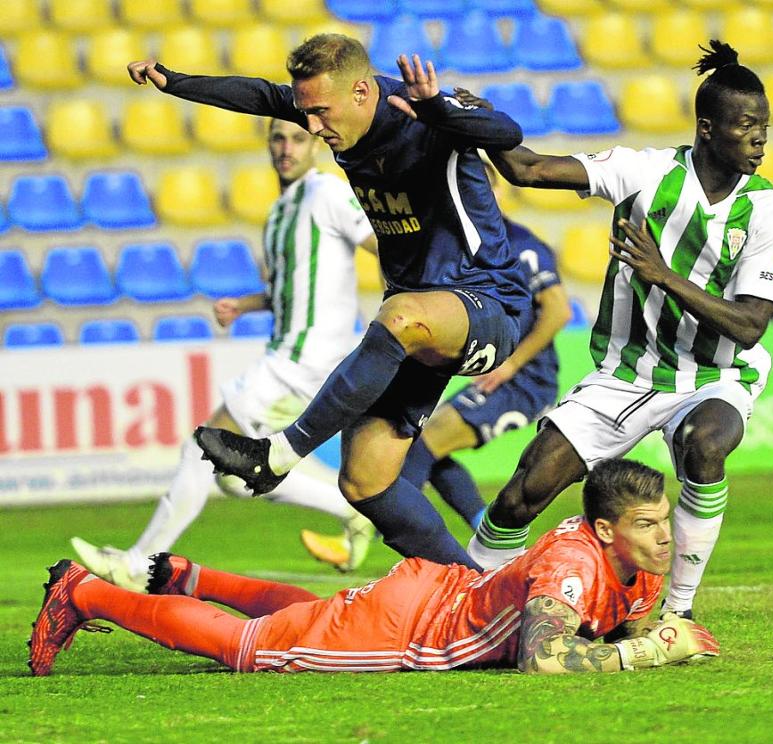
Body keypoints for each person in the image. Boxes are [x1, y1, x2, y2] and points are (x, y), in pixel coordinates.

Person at [128, 34, 532, 566]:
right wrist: (174, 81)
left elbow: (508, 132)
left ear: (362, 92)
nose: (313, 128)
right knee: (364, 481)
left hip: (487, 304)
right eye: (306, 114)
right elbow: (258, 95)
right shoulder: (335, 118)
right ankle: (472, 594)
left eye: (320, 112)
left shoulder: (419, 115)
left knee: (401, 315)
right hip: (419, 320)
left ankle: (278, 453)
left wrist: (437, 109)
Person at [460, 40, 773, 619]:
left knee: (705, 445)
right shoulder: (644, 173)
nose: (760, 138)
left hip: (715, 374)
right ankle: (465, 606)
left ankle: (678, 613)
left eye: (764, 126)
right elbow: (529, 169)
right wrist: (479, 122)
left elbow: (749, 326)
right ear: (708, 129)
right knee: (521, 496)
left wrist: (663, 276)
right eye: (745, 126)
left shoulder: (769, 209)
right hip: (628, 375)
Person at [29, 459, 720, 676]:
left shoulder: (638, 564)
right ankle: (86, 592)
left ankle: (188, 574)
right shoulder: (573, 564)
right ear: (606, 531)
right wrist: (652, 652)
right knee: (251, 649)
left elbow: (595, 632)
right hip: (413, 628)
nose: (667, 536)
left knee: (308, 619)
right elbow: (542, 659)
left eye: (664, 522)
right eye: (650, 525)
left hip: (435, 593)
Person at [70, 119, 379, 590]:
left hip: (306, 361)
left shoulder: (327, 194)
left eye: (297, 138)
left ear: (316, 145)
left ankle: (138, 563)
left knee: (204, 444)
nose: (285, 148)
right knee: (235, 472)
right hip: (287, 355)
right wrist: (246, 305)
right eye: (277, 138)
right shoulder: (279, 214)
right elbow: (288, 289)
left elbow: (380, 244)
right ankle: (352, 511)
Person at [301, 209, 572, 569]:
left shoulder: (522, 245)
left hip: (524, 381)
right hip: (492, 372)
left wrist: (513, 364)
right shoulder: (464, 246)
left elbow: (559, 311)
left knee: (419, 449)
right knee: (429, 450)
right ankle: (488, 548)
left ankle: (377, 548)